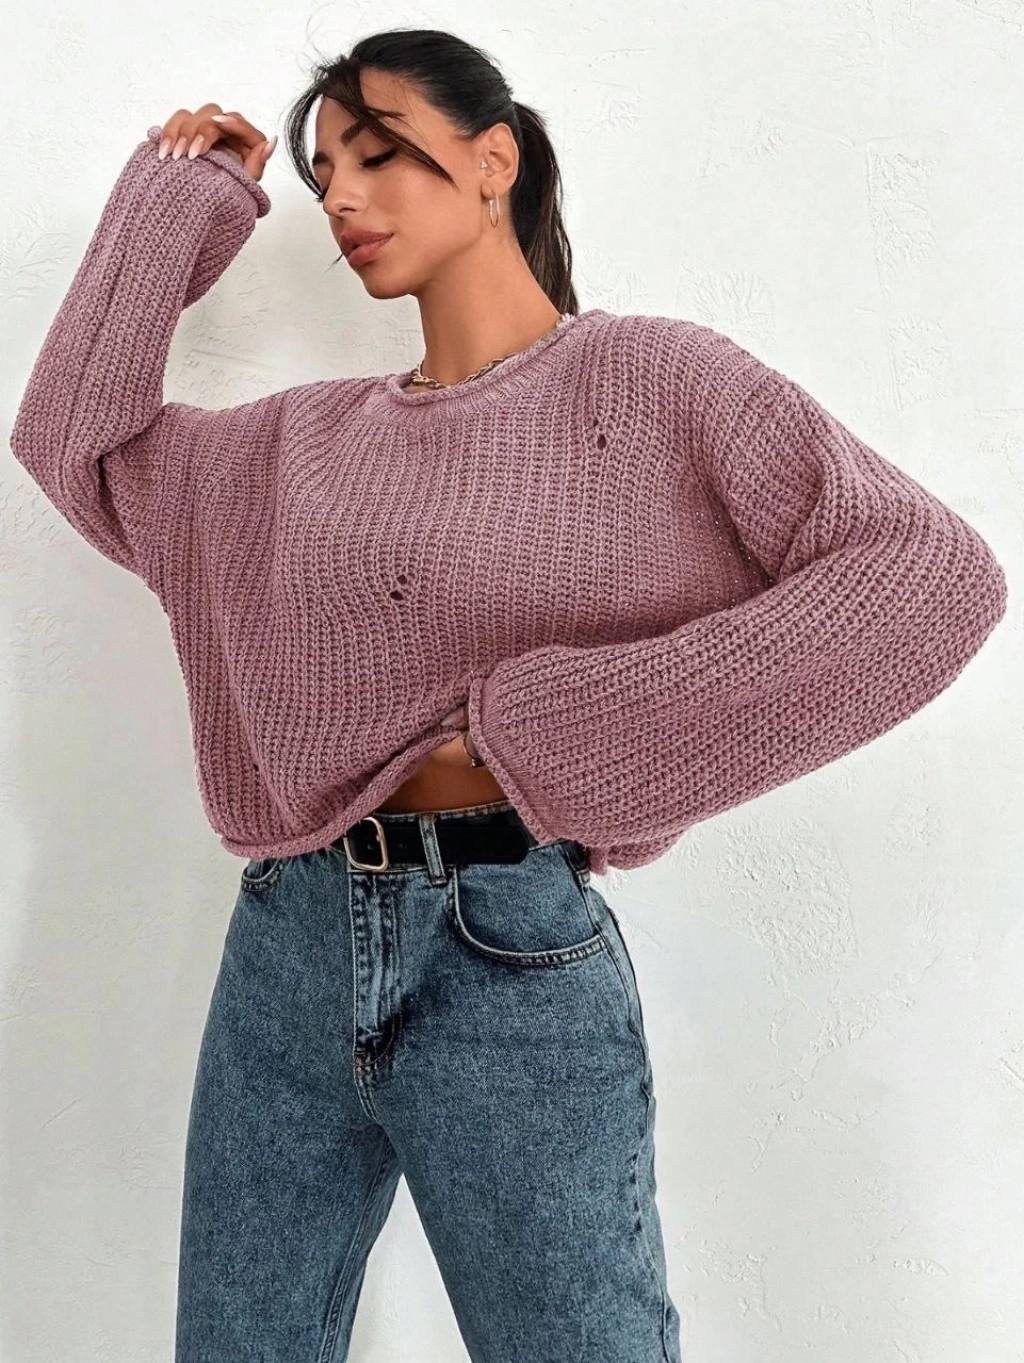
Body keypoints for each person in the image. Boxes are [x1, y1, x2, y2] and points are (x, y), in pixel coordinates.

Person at [9, 27, 1007, 1363]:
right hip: (288, 944)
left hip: (510, 954)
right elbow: (70, 439)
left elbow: (931, 577)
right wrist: (182, 197)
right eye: (323, 172)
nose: (343, 197)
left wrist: (559, 737)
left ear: (494, 161)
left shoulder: (650, 384)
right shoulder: (294, 446)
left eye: (380, 152)